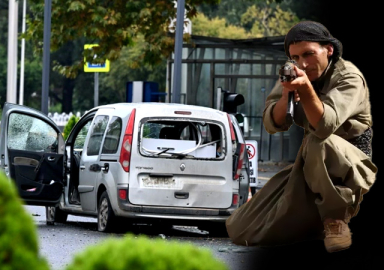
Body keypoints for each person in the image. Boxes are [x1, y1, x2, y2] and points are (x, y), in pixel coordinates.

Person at [225, 21, 378, 253]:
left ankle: (336, 220)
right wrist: (287, 94)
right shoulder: (294, 70)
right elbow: (271, 123)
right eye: (295, 57)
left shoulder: (349, 77)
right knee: (240, 228)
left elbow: (325, 126)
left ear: (329, 50)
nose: (303, 63)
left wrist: (306, 90)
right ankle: (315, 224)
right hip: (309, 164)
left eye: (309, 54)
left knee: (320, 140)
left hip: (351, 166)